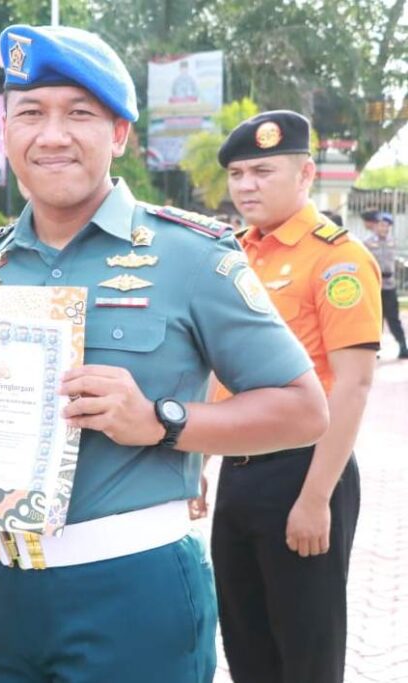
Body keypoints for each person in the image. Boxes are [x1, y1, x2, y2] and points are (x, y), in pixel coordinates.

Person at [0, 25, 331, 683]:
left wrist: (164, 420)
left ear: (120, 134)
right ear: (8, 132)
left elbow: (305, 409)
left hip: (137, 585)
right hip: (12, 588)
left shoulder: (190, 256)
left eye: (78, 113)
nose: (51, 134)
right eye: (30, 114)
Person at [211, 110, 382, 683]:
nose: (246, 186)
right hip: (239, 472)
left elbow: (354, 385)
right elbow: (221, 368)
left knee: (307, 648)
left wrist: (315, 499)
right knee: (246, 642)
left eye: (262, 171)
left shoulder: (336, 257)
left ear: (306, 174)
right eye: (237, 174)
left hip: (306, 471)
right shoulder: (233, 254)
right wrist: (196, 465)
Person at [362, 210, 407, 358]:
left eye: (387, 225)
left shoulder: (391, 241)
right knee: (375, 319)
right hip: (374, 285)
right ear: (375, 226)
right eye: (381, 225)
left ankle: (402, 346)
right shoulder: (367, 243)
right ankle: (374, 350)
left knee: (393, 317)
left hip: (389, 285)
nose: (384, 228)